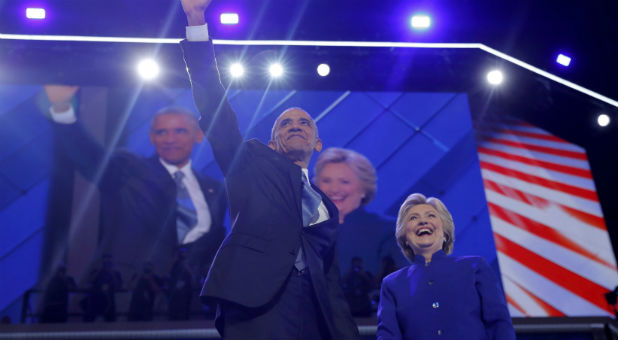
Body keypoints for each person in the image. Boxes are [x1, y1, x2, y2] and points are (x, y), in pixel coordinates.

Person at [179, 0, 359, 338]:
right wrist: (196, 21)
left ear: (317, 143)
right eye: (285, 123)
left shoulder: (327, 208)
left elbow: (331, 280)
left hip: (316, 311)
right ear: (272, 143)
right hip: (256, 303)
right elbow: (215, 109)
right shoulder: (249, 162)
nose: (295, 125)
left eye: (304, 122)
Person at [44, 86, 227, 287]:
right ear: (152, 137)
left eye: (180, 131)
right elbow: (88, 155)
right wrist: (62, 108)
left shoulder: (214, 190)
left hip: (188, 303)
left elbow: (213, 248)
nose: (170, 139)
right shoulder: (128, 168)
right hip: (126, 295)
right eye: (162, 132)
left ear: (198, 135)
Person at [377, 193, 516, 340]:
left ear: (445, 233)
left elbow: (499, 325)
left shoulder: (474, 267)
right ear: (405, 238)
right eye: (413, 218)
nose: (423, 221)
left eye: (431, 216)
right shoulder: (392, 284)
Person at [313, 147, 407, 276]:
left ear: (364, 188)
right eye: (326, 181)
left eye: (344, 182)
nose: (334, 189)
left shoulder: (389, 231)